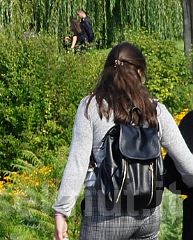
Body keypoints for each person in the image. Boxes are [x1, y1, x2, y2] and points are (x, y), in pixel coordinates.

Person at [55, 42, 193, 240]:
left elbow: (77, 164)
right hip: (147, 212)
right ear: (139, 72)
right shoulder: (156, 110)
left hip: (104, 212)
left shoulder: (91, 107)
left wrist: (62, 212)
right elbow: (187, 165)